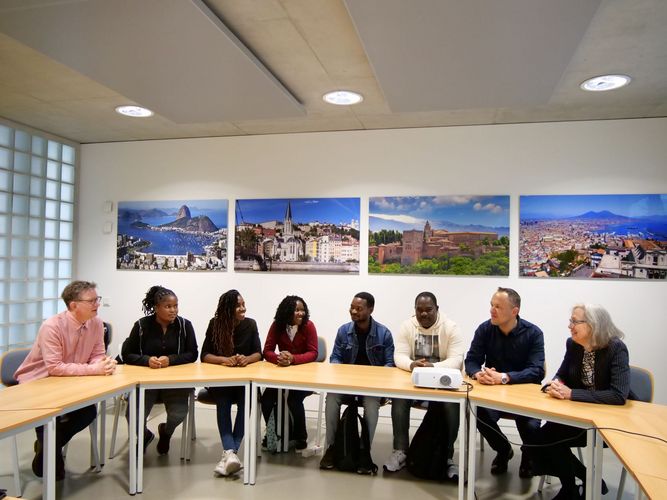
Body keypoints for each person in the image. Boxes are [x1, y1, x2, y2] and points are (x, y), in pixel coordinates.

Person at [14, 280, 117, 480]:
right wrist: (93, 369)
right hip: (39, 381)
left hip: (71, 380)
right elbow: (54, 367)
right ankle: (49, 454)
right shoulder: (52, 326)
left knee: (88, 412)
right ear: (73, 305)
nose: (97, 304)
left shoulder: (96, 323)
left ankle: (47, 448)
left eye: (98, 299)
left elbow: (97, 353)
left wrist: (103, 364)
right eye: (92, 300)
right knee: (48, 417)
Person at [532, 304, 631, 499]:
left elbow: (618, 395)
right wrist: (556, 384)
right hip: (578, 414)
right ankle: (578, 482)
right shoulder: (573, 344)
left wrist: (571, 394)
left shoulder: (616, 348)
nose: (570, 326)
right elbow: (562, 374)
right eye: (571, 320)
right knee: (537, 440)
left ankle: (573, 487)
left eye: (575, 321)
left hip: (606, 423)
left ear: (593, 325)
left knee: (551, 442)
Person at [464, 287, 545, 478]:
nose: (492, 310)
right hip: (493, 394)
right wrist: (477, 374)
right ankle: (503, 450)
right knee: (477, 413)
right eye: (491, 305)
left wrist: (504, 377)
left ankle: (528, 455)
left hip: (524, 394)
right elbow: (472, 360)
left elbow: (537, 370)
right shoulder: (485, 329)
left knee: (530, 425)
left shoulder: (533, 333)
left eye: (498, 306)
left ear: (514, 311)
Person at [384, 292, 465, 478]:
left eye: (428, 310)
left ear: (437, 309)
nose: (423, 314)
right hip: (415, 384)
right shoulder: (407, 326)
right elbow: (399, 356)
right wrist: (412, 365)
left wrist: (432, 367)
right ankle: (400, 451)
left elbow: (456, 360)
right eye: (419, 310)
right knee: (399, 399)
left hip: (442, 387)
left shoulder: (451, 328)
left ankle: (447, 456)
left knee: (452, 406)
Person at [319, 292, 394, 472]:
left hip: (371, 388)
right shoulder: (343, 331)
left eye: (359, 308)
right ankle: (331, 447)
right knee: (332, 398)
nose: (353, 311)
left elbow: (389, 364)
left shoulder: (384, 334)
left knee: (371, 403)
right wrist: (341, 372)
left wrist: (374, 380)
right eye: (352, 307)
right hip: (346, 385)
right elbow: (335, 358)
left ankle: (363, 450)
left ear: (371, 309)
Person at [121, 285, 198, 454]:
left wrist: (171, 359)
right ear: (156, 308)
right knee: (133, 415)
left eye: (176, 306)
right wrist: (146, 360)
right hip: (146, 382)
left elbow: (193, 354)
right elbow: (126, 354)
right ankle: (145, 435)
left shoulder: (185, 326)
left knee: (178, 413)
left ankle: (166, 432)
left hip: (175, 382)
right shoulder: (141, 326)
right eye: (168, 306)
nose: (173, 310)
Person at [201, 290, 261, 477]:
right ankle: (231, 451)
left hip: (244, 381)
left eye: (244, 304)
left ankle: (229, 453)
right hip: (223, 381)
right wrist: (223, 360)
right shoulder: (215, 325)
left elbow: (259, 353)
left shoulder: (250, 324)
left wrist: (247, 359)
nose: (243, 308)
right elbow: (204, 356)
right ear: (228, 309)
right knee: (223, 402)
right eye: (238, 305)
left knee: (247, 403)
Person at [261, 295, 318, 451]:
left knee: (293, 399)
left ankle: (300, 437)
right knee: (267, 400)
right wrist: (280, 358)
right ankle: (274, 433)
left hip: (304, 377)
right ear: (287, 312)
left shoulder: (309, 326)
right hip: (282, 376)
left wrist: (293, 359)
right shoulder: (277, 326)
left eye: (303, 310)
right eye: (297, 310)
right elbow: (267, 351)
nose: (301, 313)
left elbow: (313, 353)